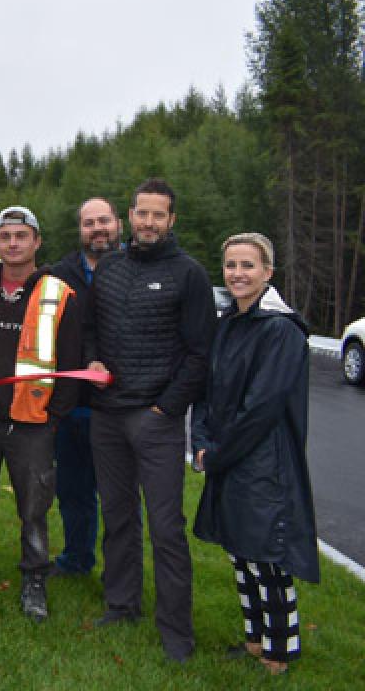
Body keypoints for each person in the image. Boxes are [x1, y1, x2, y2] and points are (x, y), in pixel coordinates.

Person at [83, 178, 216, 663]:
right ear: (130, 215)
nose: (149, 222)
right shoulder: (111, 267)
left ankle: (176, 631)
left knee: (164, 526)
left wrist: (166, 407)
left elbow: (202, 354)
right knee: (117, 518)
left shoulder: (189, 274)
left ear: (171, 220)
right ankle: (122, 605)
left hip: (155, 420)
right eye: (142, 213)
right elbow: (92, 329)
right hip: (107, 416)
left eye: (159, 215)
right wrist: (93, 360)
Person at [191, 233, 319, 676]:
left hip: (263, 461)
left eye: (248, 265)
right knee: (239, 553)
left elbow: (262, 407)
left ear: (268, 272)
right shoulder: (228, 321)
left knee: (266, 557)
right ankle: (253, 639)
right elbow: (207, 392)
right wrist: (201, 441)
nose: (238, 274)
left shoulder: (280, 330)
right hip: (228, 457)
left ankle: (279, 651)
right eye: (230, 266)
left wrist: (220, 454)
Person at [0, 206, 80, 621]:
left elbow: (71, 363)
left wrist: (53, 418)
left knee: (34, 508)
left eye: (22, 236)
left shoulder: (61, 294)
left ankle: (34, 579)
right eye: (5, 236)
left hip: (34, 425)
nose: (13, 243)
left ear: (37, 242)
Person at [47, 197, 121, 577]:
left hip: (119, 406)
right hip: (71, 405)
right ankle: (76, 559)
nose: (98, 229)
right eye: (89, 223)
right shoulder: (58, 275)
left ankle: (120, 572)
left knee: (117, 496)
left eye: (104, 220)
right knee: (73, 491)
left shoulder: (134, 269)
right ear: (80, 229)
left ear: (118, 223)